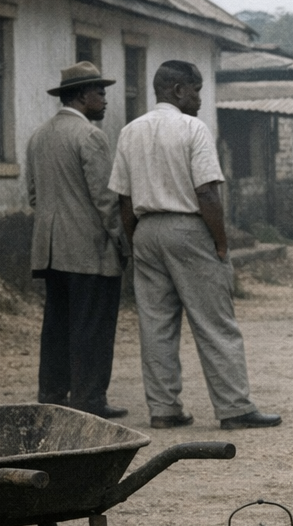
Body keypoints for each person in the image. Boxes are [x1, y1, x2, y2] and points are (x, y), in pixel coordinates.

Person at [109, 60, 280, 430]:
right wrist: (220, 245)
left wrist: (135, 238)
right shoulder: (192, 127)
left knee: (156, 326)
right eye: (196, 90)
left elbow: (123, 199)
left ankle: (164, 409)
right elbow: (207, 192)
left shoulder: (130, 131)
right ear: (177, 90)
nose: (200, 99)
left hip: (145, 230)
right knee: (215, 321)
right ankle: (234, 407)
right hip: (187, 228)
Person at [26, 61, 128, 418]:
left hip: (50, 251)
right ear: (83, 96)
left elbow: (34, 196)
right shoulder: (90, 137)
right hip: (89, 251)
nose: (104, 100)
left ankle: (53, 396)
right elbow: (106, 199)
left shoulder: (39, 135)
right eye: (100, 93)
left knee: (57, 325)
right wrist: (122, 242)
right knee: (92, 327)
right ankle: (88, 400)